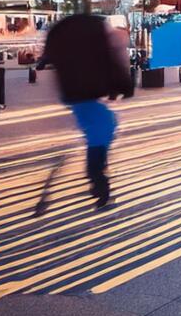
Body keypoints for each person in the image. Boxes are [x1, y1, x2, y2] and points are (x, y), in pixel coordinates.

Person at [36, 13, 134, 209]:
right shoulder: (85, 102)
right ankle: (100, 189)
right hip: (99, 124)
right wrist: (121, 87)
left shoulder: (81, 100)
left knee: (94, 168)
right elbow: (112, 65)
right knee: (96, 165)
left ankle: (101, 192)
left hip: (97, 126)